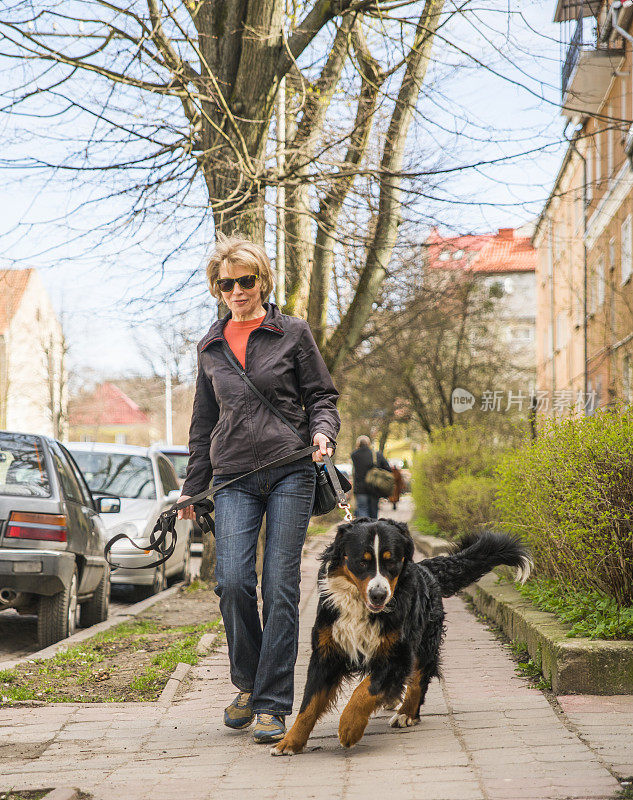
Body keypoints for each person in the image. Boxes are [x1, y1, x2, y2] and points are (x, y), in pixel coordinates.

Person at [176, 235, 340, 745]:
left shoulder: (291, 332)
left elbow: (322, 396)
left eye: (246, 281)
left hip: (291, 468)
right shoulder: (211, 345)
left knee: (280, 585)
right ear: (217, 289)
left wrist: (323, 431)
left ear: (262, 281)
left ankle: (272, 704)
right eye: (227, 284)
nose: (237, 291)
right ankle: (247, 684)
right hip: (233, 477)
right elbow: (204, 423)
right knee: (231, 581)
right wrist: (191, 489)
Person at [350, 435, 390, 520]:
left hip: (360, 489)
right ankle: (373, 529)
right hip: (374, 487)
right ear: (369, 443)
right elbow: (388, 468)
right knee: (373, 511)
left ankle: (364, 530)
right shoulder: (377, 455)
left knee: (362, 510)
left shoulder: (354, 455)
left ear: (358, 443)